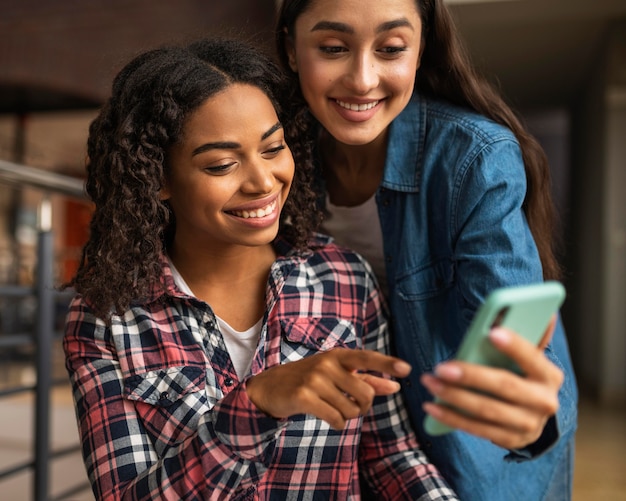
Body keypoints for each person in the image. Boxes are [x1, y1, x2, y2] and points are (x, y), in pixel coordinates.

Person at [63, 37, 459, 500]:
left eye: (273, 149)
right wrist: (254, 407)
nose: (263, 181)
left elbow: (389, 455)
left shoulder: (345, 280)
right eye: (222, 164)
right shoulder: (104, 320)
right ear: (159, 180)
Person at [275, 1, 578, 499]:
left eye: (391, 49)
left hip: (470, 452)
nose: (362, 79)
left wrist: (530, 414)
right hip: (349, 445)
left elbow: (513, 336)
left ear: (420, 52)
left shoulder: (473, 157)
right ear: (291, 48)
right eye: (332, 48)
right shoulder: (270, 152)